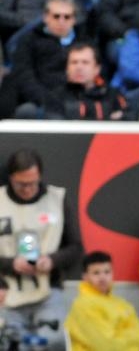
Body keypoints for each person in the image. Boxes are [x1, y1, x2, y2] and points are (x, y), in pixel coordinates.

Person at [0, 149, 83, 350]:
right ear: (11, 178)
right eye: (21, 184)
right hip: (7, 292)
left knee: (50, 342)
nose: (28, 189)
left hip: (47, 291)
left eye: (32, 183)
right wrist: (11, 264)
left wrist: (51, 260)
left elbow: (75, 247)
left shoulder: (56, 198)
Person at [9, 0, 86, 119]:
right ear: (46, 17)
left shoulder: (85, 41)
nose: (61, 21)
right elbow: (24, 77)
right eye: (56, 16)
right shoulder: (28, 40)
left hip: (79, 101)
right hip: (42, 102)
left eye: (67, 17)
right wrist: (48, 101)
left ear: (74, 19)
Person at [65, 251, 139, 351]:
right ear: (85, 277)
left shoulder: (122, 304)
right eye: (96, 273)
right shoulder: (83, 305)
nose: (102, 278)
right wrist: (132, 338)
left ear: (113, 273)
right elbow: (107, 346)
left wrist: (120, 337)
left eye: (107, 272)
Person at [46, 42, 127, 120]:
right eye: (74, 62)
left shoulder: (113, 95)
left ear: (97, 69)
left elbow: (128, 119)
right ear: (67, 68)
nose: (79, 67)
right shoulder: (55, 96)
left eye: (85, 62)